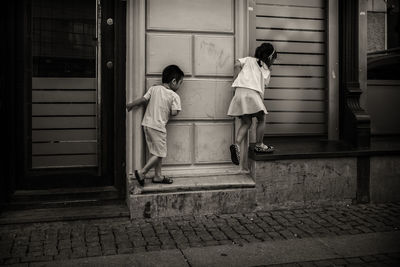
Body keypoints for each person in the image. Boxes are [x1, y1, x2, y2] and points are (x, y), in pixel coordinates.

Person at [126, 65, 184, 185]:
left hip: (147, 125)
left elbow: (143, 100)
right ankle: (142, 172)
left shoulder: (154, 89)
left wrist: (130, 105)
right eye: (180, 83)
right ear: (174, 81)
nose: (179, 86)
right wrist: (176, 110)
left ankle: (158, 176)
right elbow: (174, 113)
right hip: (158, 127)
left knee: (156, 152)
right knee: (160, 153)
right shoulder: (174, 96)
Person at [227, 42, 277, 165]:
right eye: (274, 60)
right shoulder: (266, 69)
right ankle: (259, 144)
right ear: (270, 58)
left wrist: (236, 80)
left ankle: (237, 144)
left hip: (239, 92)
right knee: (262, 118)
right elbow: (262, 88)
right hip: (252, 94)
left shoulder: (248, 60)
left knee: (247, 121)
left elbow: (236, 64)